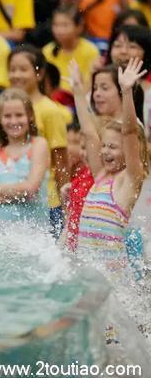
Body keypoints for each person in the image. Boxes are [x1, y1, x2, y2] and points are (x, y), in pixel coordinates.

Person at [71, 58, 149, 276]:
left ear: (131, 150)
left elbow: (130, 132)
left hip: (114, 279)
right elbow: (88, 132)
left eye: (113, 147)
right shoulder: (102, 175)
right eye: (104, 146)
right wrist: (77, 91)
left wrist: (126, 91)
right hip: (88, 272)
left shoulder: (130, 179)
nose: (104, 152)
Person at [8, 45, 70, 235]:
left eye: (23, 69)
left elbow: (60, 162)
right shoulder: (5, 108)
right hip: (10, 194)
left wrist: (66, 207)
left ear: (40, 73)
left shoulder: (50, 110)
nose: (16, 75)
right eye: (12, 69)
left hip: (47, 201)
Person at [0, 88, 50, 225]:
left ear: (30, 116)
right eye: (7, 116)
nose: (14, 121)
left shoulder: (38, 145)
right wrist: (12, 195)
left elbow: (30, 188)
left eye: (19, 115)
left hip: (33, 233)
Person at [42, 6, 100, 104]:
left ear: (79, 26)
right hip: (52, 101)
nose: (59, 30)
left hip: (79, 100)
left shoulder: (90, 50)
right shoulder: (47, 50)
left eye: (65, 25)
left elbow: (89, 84)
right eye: (56, 25)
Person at [61, 122, 94, 252]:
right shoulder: (76, 176)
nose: (70, 148)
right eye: (67, 142)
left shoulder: (93, 174)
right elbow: (69, 218)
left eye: (75, 143)